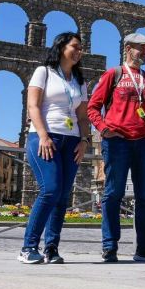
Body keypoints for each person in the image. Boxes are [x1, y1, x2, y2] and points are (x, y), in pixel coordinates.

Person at [87, 32, 145, 263]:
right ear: (128, 48)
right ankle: (110, 246)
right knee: (113, 194)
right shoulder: (114, 74)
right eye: (141, 47)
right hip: (117, 141)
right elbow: (93, 107)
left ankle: (144, 248)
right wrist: (103, 129)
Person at [19, 31, 90, 264]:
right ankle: (28, 247)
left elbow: (82, 117)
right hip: (45, 137)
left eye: (81, 48)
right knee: (50, 189)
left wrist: (84, 141)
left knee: (61, 197)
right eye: (75, 47)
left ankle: (51, 248)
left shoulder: (80, 81)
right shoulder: (44, 72)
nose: (79, 52)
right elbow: (33, 106)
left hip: (71, 141)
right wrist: (42, 135)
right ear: (61, 47)